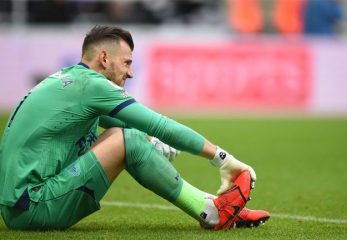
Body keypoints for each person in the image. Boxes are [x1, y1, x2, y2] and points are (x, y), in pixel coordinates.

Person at [0, 25, 269, 230]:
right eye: (127, 62)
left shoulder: (71, 80)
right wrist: (223, 158)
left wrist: (149, 141)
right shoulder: (92, 86)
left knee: (126, 136)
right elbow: (157, 123)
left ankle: (212, 204)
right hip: (32, 206)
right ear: (104, 58)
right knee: (127, 139)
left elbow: (130, 127)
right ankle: (210, 212)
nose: (130, 73)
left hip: (21, 204)